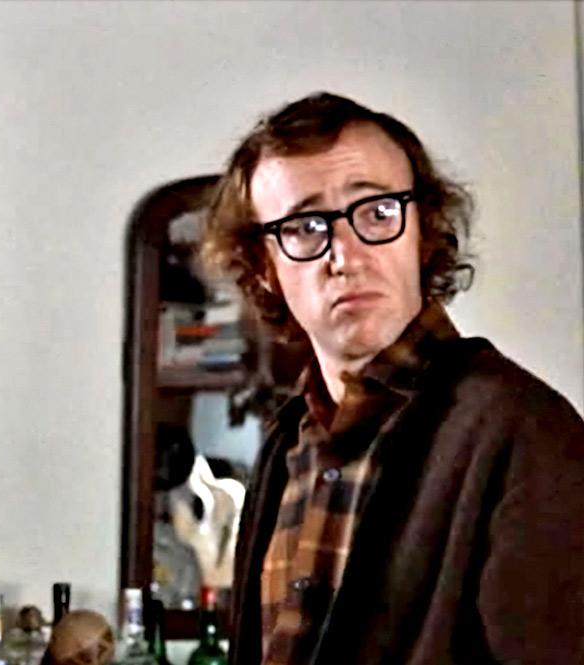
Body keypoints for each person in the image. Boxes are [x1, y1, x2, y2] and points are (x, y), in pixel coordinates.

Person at [203, 92, 584, 664]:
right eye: (306, 227)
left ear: (422, 229)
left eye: (378, 212)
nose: (346, 255)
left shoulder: (521, 428)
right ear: (264, 267)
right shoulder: (288, 442)